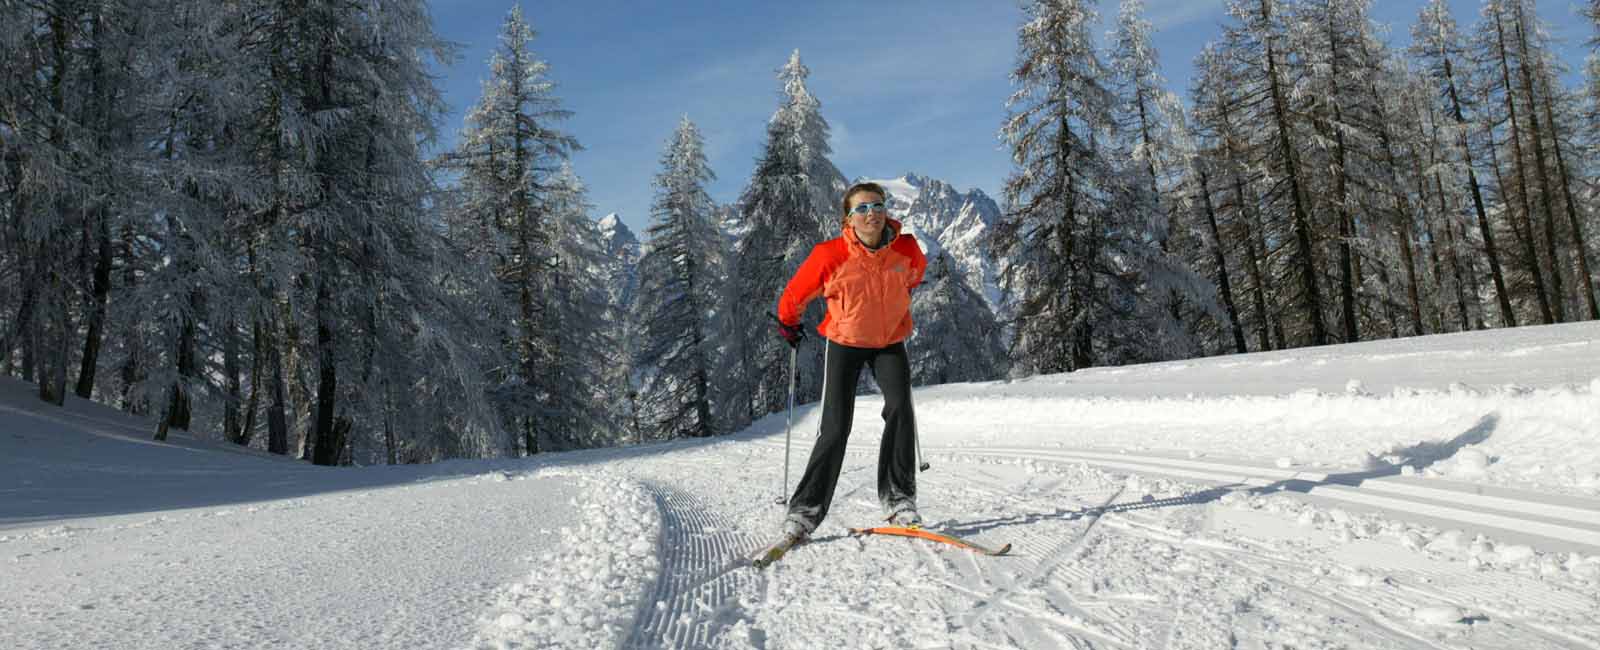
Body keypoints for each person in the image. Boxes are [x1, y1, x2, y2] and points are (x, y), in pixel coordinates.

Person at [773, 181, 928, 545]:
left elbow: (914, 277)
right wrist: (788, 324)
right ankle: (805, 511)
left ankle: (899, 498)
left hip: (889, 341)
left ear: (886, 210)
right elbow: (795, 294)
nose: (871, 213)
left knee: (901, 409)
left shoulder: (906, 249)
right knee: (835, 426)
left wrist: (894, 309)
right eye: (862, 208)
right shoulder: (830, 254)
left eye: (877, 205)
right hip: (845, 342)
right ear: (848, 218)